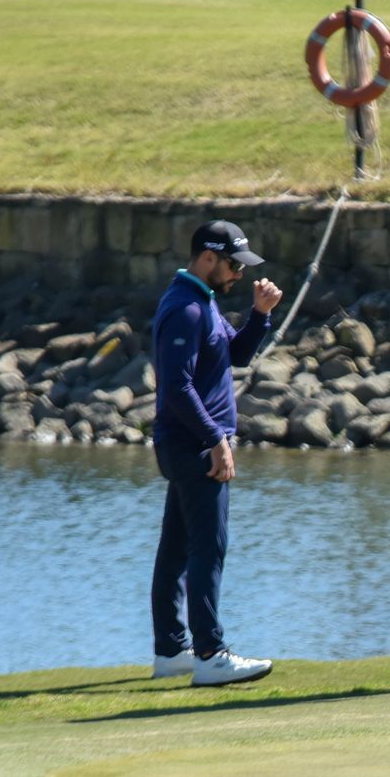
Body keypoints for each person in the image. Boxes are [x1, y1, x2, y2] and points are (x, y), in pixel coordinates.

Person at [148, 220, 283, 687]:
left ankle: (171, 650)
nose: (239, 275)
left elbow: (235, 355)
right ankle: (209, 653)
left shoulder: (202, 301)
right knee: (209, 547)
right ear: (208, 258)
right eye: (233, 265)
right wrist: (215, 440)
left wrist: (260, 314)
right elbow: (176, 389)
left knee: (177, 549)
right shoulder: (185, 307)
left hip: (190, 445)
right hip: (193, 447)